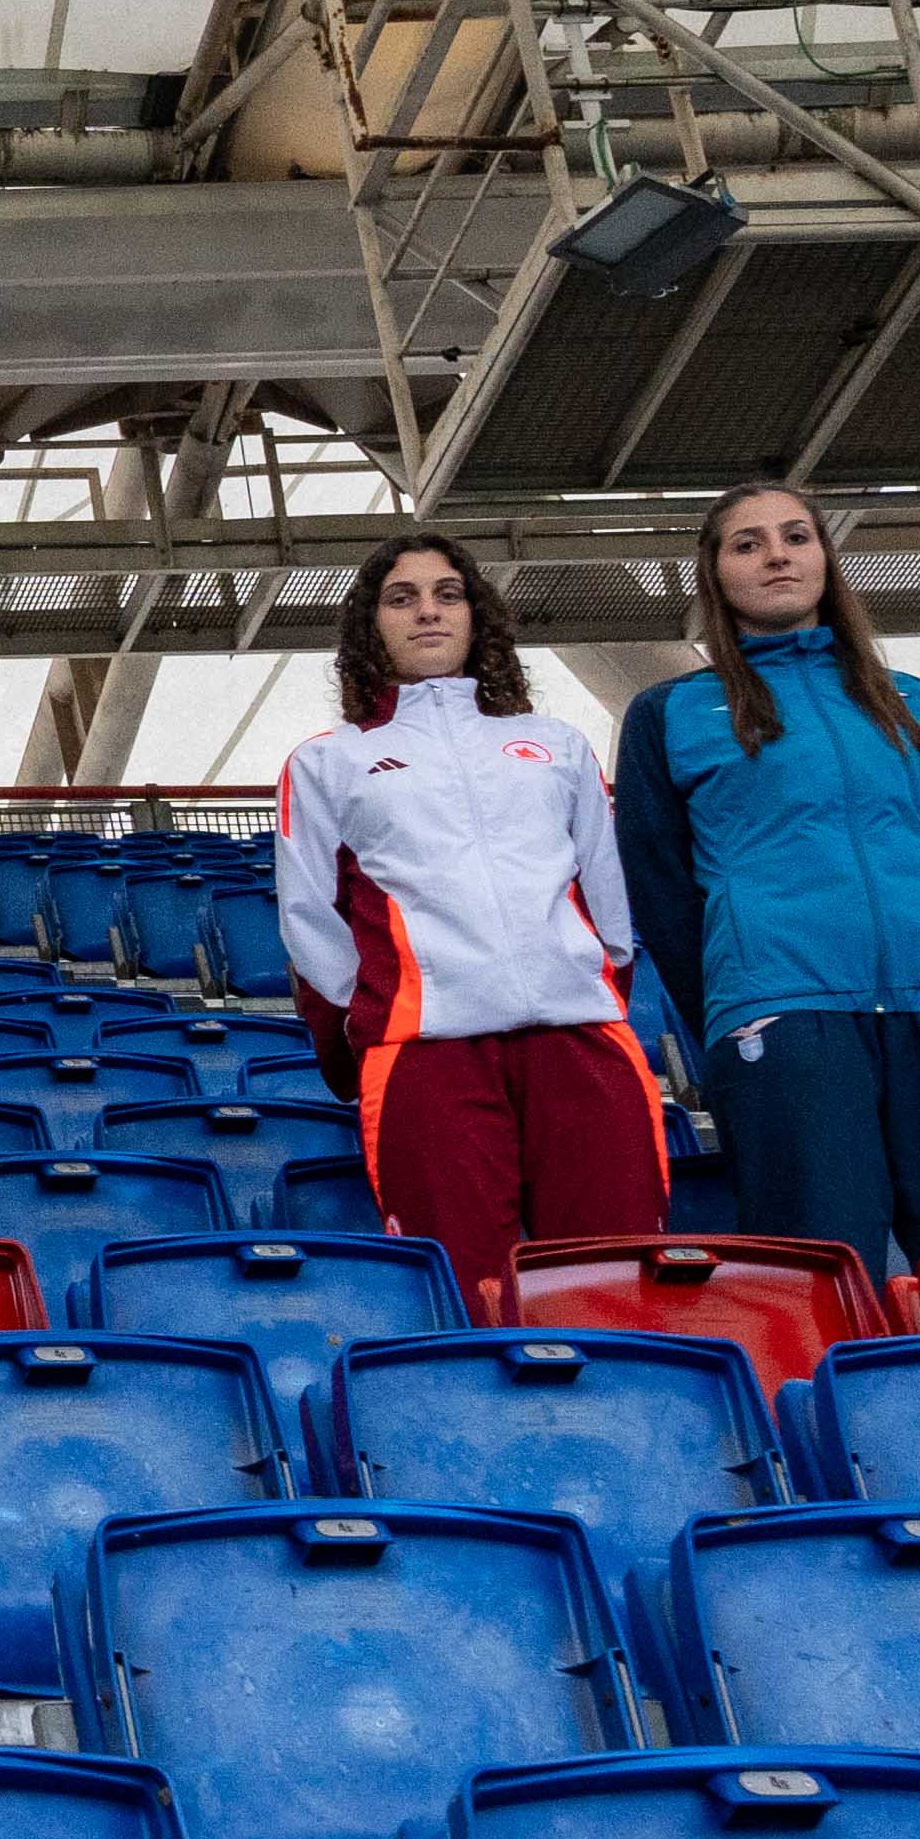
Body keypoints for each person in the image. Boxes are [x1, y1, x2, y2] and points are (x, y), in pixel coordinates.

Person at [607, 475, 920, 1271]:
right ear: (716, 573)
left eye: (796, 536)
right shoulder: (669, 715)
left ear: (826, 559)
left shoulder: (919, 703)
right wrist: (737, 1008)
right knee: (818, 1273)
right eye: (748, 543)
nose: (777, 556)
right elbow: (661, 888)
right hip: (783, 1009)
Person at [273, 534, 665, 1282]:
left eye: (447, 594)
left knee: (611, 1278)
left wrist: (589, 996)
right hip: (428, 1054)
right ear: (371, 626)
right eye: (402, 597)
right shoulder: (328, 761)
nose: (428, 611)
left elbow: (607, 896)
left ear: (476, 614)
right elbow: (310, 919)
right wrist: (380, 1018)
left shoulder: (555, 744)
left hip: (579, 1042)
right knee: (465, 1284)